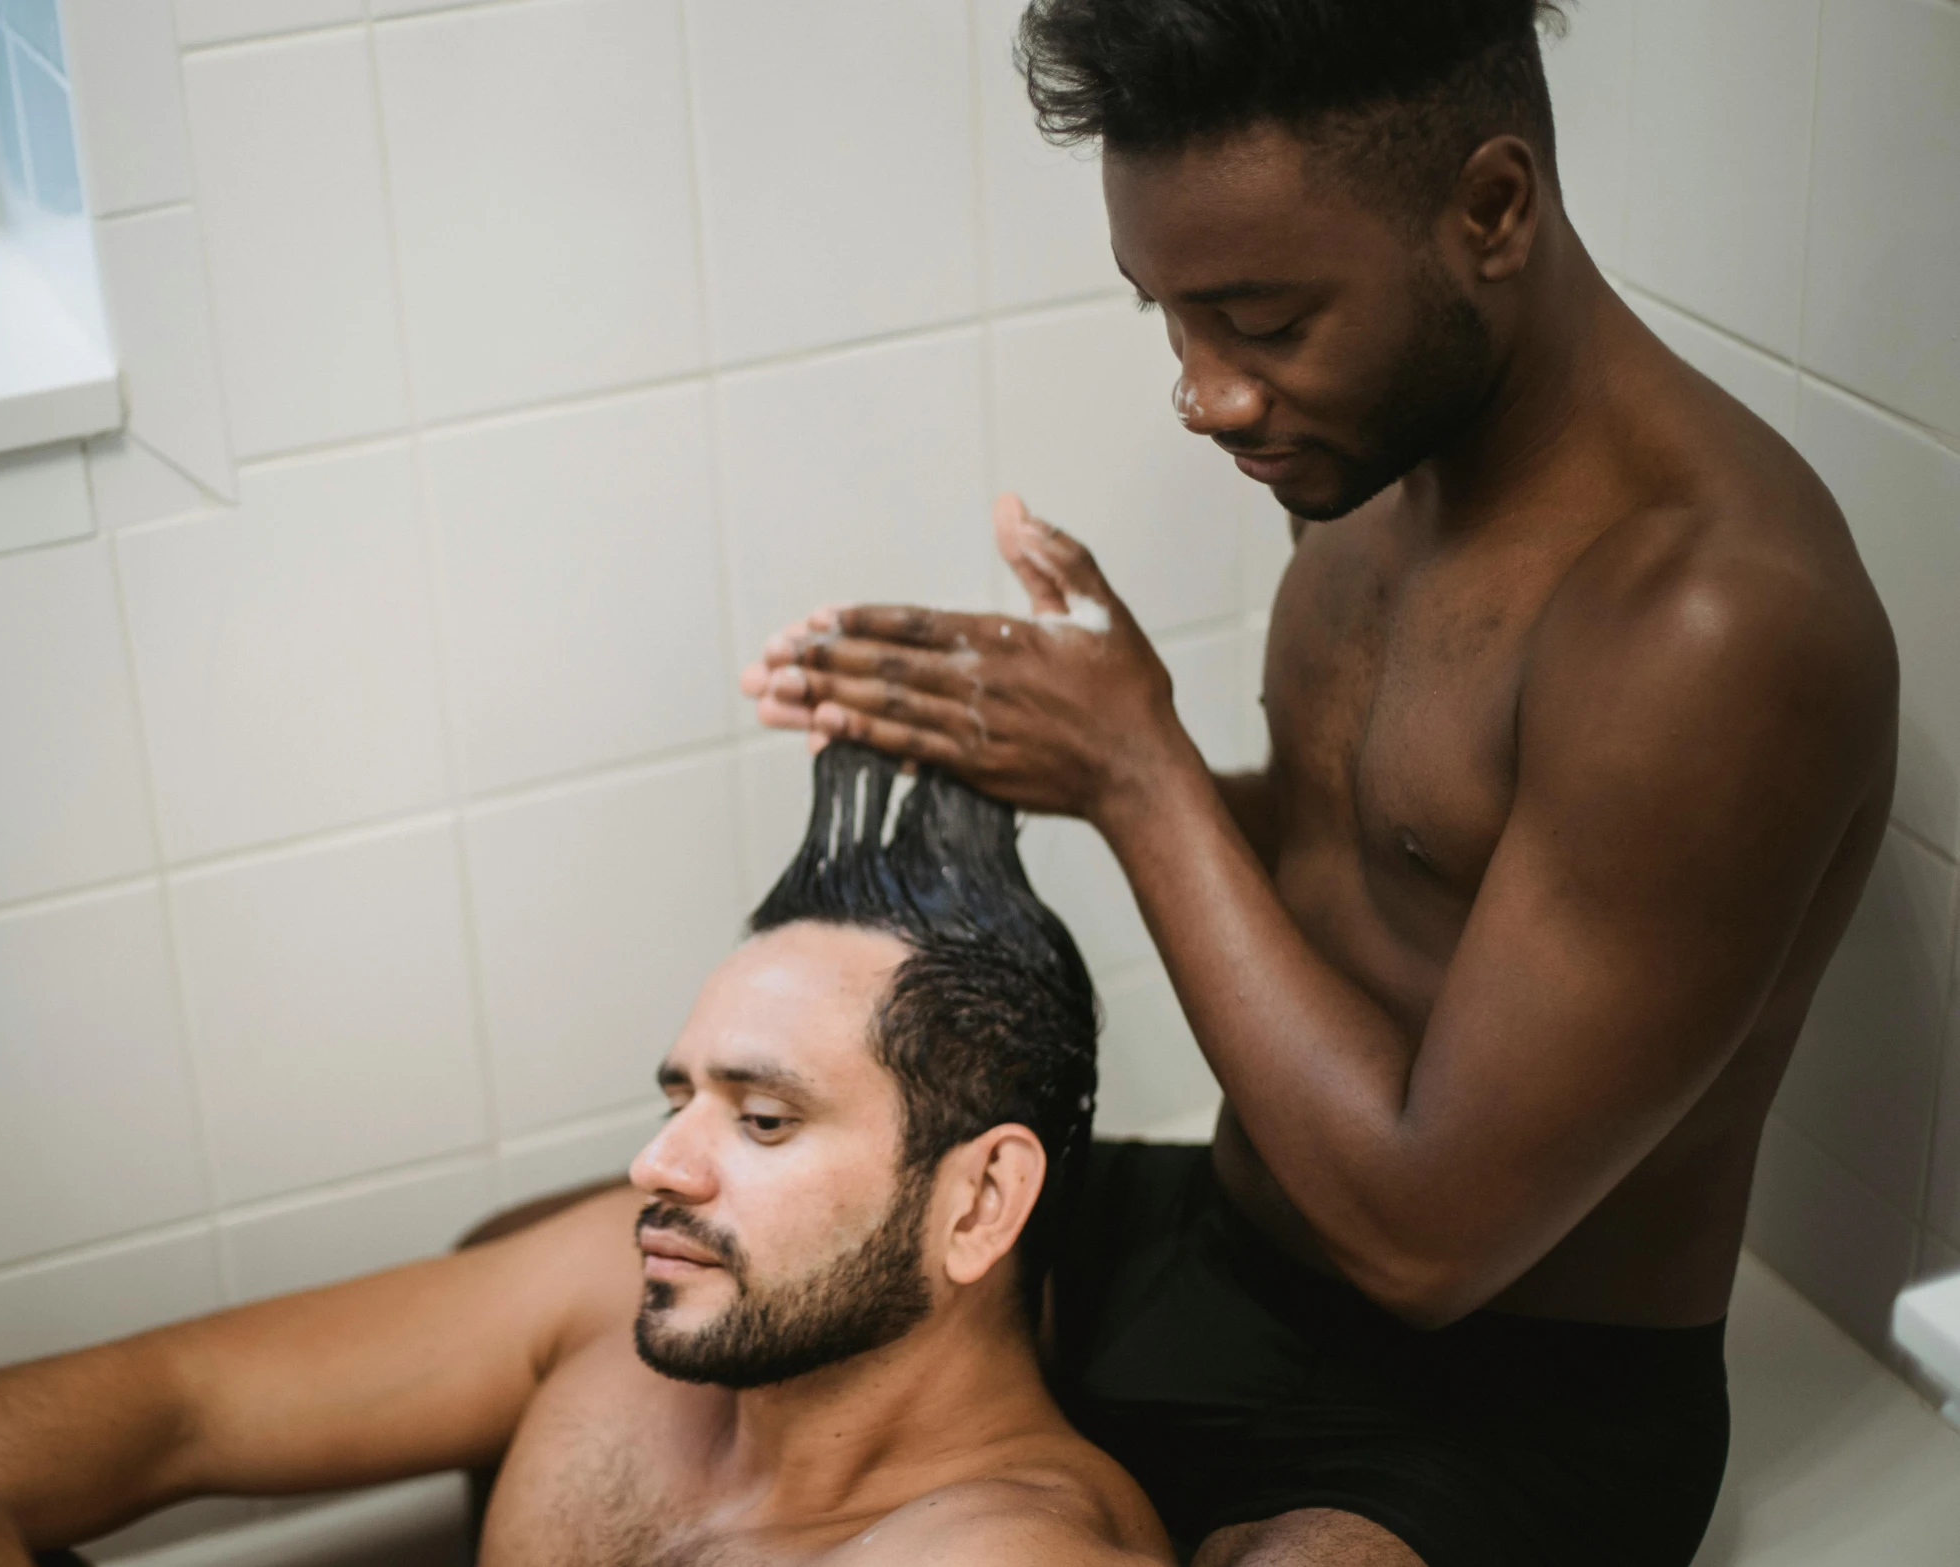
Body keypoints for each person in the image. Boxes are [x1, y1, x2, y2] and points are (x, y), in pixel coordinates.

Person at [742, 3, 1899, 1565]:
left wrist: (1135, 767)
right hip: (1232, 1252)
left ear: (1490, 211)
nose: (1205, 393)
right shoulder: (1372, 454)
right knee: (632, 1288)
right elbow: (1348, 848)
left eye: (1264, 323)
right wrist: (1043, 748)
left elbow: (1429, 1240)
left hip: (1507, 1413)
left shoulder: (1705, 618)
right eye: (1168, 316)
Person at [0, 745, 1169, 1567]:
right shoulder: (650, 1309)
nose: (659, 1163)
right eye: (677, 1094)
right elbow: (176, 1407)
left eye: (759, 1119)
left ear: (977, 1200)